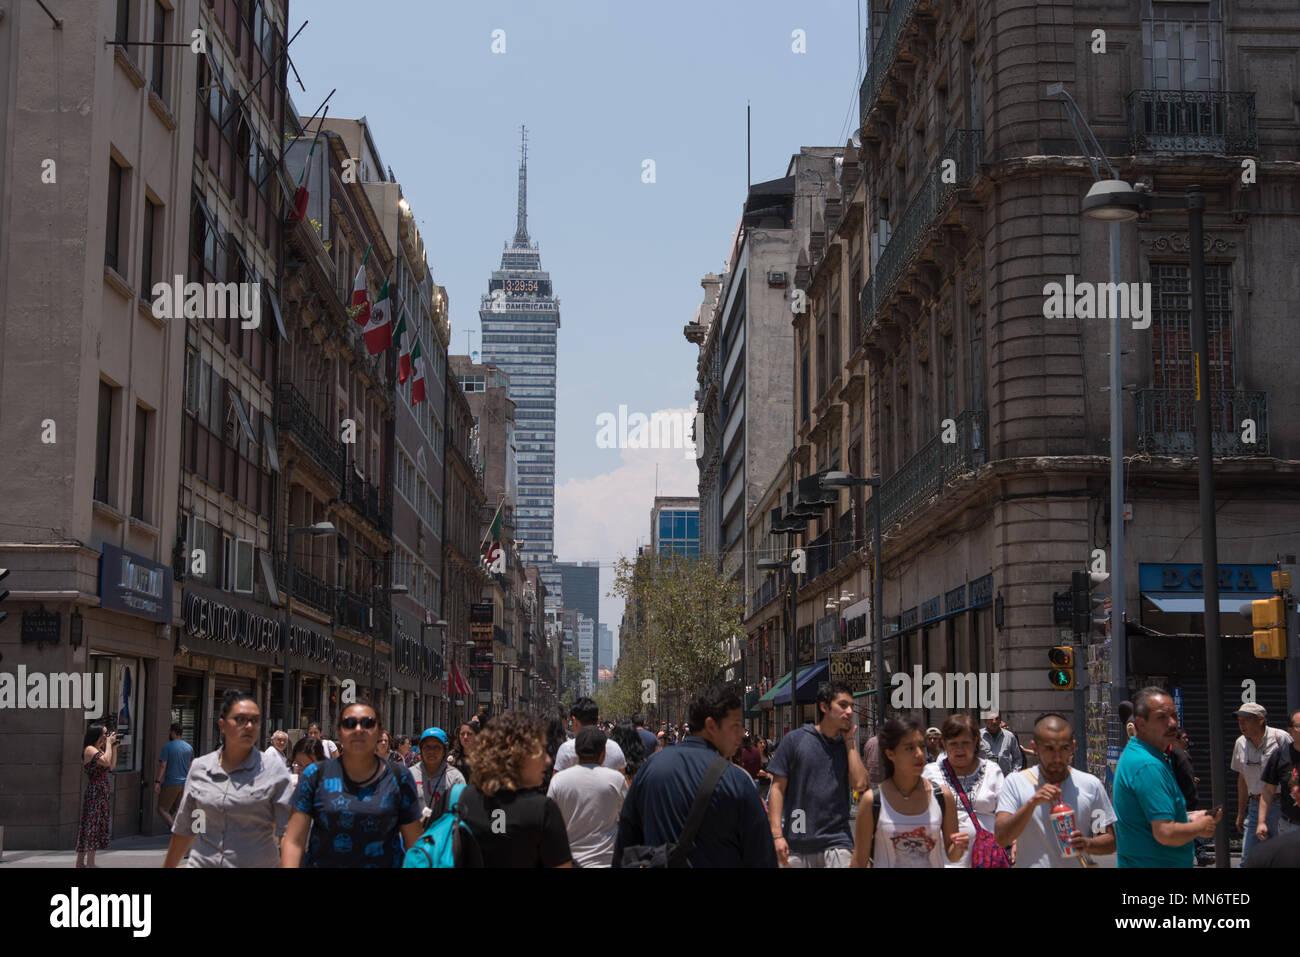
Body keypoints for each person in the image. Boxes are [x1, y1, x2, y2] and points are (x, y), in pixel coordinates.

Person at [614, 685, 775, 868]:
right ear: (711, 725)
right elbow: (762, 857)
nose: (741, 734)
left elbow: (626, 846)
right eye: (735, 726)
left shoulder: (650, 769)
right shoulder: (737, 781)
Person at [281, 701, 424, 868]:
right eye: (349, 723)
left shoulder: (399, 776)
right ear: (339, 733)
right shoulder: (315, 775)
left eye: (368, 723)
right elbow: (294, 840)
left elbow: (413, 844)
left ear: (379, 732)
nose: (358, 729)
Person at [162, 690, 294, 868]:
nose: (249, 726)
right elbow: (186, 828)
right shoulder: (200, 768)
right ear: (222, 725)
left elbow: (287, 835)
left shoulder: (274, 771)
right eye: (240, 720)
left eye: (254, 720)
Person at [1113, 687, 1219, 868]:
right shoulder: (1147, 766)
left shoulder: (1147, 756)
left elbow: (1150, 820)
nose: (1172, 723)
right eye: (1161, 717)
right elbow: (1165, 832)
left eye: (1174, 716)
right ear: (1141, 723)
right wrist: (1200, 827)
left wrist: (1190, 818)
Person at [995, 713, 1116, 867]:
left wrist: (1087, 844)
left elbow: (1109, 840)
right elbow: (1001, 837)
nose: (1057, 757)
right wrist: (1031, 804)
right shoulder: (1015, 783)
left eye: (1064, 748)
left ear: (1072, 747)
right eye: (1049, 749)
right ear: (1035, 748)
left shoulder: (1091, 785)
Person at [768, 681, 867, 868]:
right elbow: (777, 788)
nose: (850, 712)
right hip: (797, 844)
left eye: (852, 706)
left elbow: (860, 784)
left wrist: (850, 741)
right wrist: (776, 835)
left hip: (838, 843)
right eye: (843, 705)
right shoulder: (795, 740)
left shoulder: (847, 746)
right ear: (824, 707)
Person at [456, 712, 574, 868]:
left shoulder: (460, 799)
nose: (547, 760)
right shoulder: (543, 810)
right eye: (541, 751)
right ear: (519, 754)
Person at [851, 717, 966, 867]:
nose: (919, 754)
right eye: (909, 748)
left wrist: (958, 847)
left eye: (921, 746)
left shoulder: (942, 797)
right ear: (890, 754)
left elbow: (953, 855)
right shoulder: (873, 801)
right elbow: (859, 861)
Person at [923, 713, 1005, 868]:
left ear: (976, 742)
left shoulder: (992, 771)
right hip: (941, 860)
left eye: (965, 743)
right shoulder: (930, 772)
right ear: (944, 744)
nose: (959, 749)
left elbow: (1005, 813)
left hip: (986, 860)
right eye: (953, 743)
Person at [547, 727, 628, 867]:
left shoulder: (558, 781)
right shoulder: (616, 780)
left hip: (570, 861)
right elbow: (627, 815)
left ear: (577, 752)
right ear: (603, 753)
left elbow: (548, 822)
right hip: (607, 862)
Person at [1232, 701, 1290, 866]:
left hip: (1281, 804)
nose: (1241, 724)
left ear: (1260, 719)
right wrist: (1240, 812)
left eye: (1246, 720)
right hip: (1255, 805)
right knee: (1248, 859)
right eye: (1239, 721)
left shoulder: (1281, 738)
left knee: (1284, 858)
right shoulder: (1240, 743)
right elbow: (1242, 779)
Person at [75, 724, 119, 868]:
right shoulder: (89, 749)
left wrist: (113, 748)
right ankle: (90, 863)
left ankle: (80, 863)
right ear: (96, 735)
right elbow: (105, 761)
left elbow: (111, 765)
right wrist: (109, 745)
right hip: (94, 791)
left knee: (93, 825)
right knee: (91, 825)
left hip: (101, 790)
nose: (106, 737)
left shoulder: (100, 750)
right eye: (104, 735)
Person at [1258, 709, 1300, 841]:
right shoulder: (1280, 754)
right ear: (1290, 730)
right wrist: (1261, 821)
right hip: (1289, 826)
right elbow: (1268, 791)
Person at [554, 698, 626, 772]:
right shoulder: (615, 749)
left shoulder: (566, 750)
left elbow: (555, 781)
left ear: (574, 720)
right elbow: (623, 780)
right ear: (598, 720)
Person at [408, 727, 466, 817]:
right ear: (421, 749)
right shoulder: (409, 775)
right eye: (427, 747)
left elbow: (462, 809)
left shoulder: (455, 778)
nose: (431, 751)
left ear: (444, 751)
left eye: (437, 747)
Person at [154, 723, 194, 830]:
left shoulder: (168, 747)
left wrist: (157, 782)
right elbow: (191, 767)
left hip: (171, 782)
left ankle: (176, 830)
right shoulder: (189, 747)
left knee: (161, 809)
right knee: (177, 809)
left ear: (173, 732)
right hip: (184, 783)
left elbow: (163, 766)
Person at [978, 711, 1024, 776]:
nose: (994, 722)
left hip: (1004, 779)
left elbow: (1017, 758)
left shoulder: (1009, 736)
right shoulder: (977, 736)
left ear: (1000, 720)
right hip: (984, 780)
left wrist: (1013, 775)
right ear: (985, 721)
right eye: (991, 719)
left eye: (997, 719)